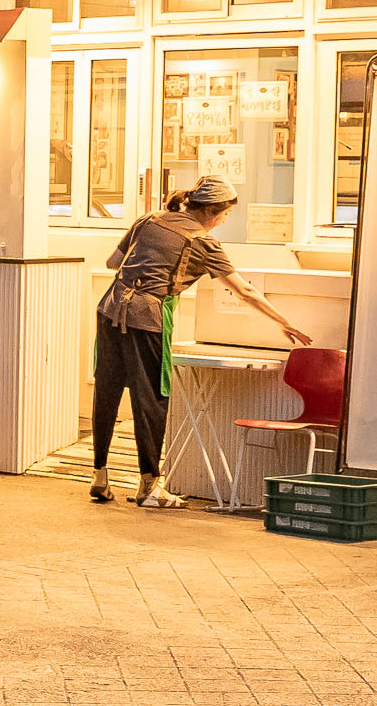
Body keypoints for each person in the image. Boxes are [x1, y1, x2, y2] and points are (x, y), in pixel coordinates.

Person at [93, 175, 312, 508]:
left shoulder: (148, 219)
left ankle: (100, 477)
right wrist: (284, 322)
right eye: (225, 215)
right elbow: (245, 291)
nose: (223, 221)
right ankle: (150, 488)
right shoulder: (204, 242)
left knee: (106, 391)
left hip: (110, 310)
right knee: (152, 398)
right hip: (147, 318)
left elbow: (112, 263)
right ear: (214, 213)